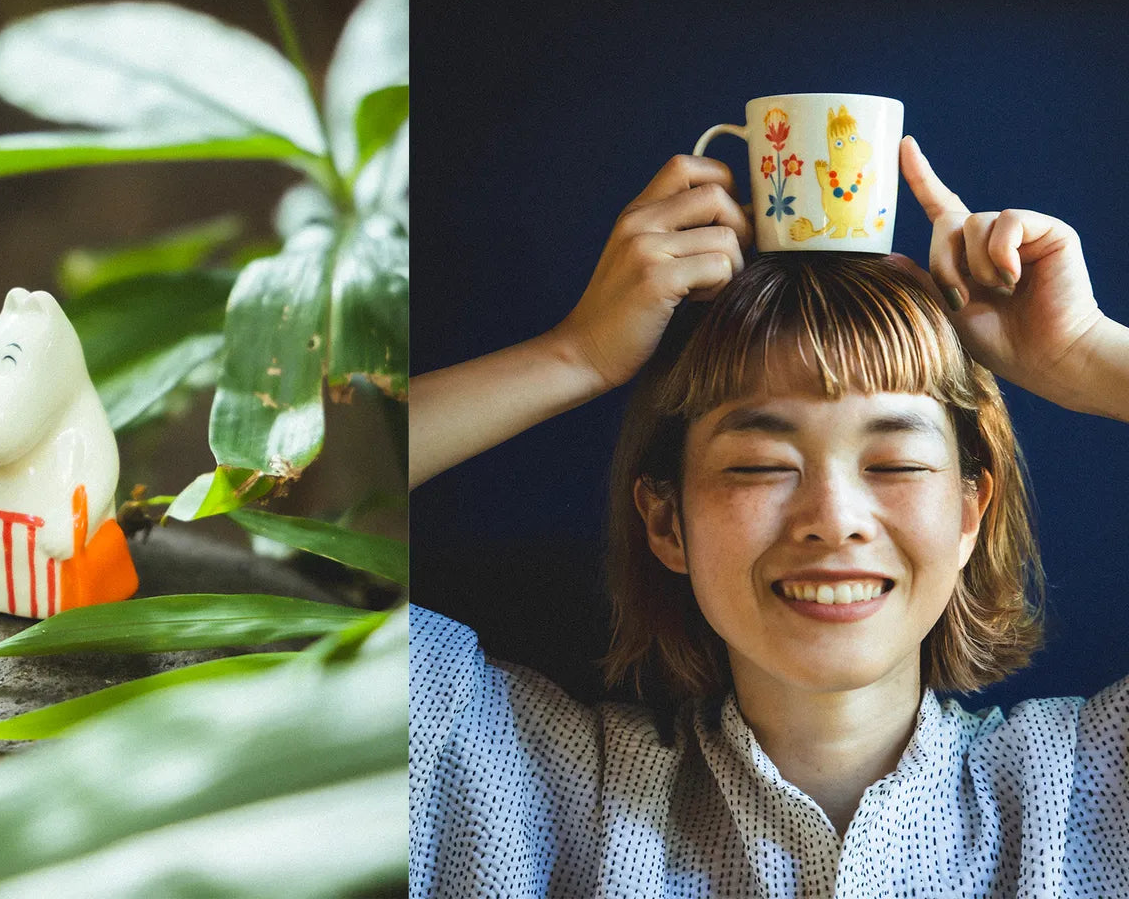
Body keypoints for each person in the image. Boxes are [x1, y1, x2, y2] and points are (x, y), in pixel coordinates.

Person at [408, 137, 1129, 896]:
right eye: (759, 466)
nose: (833, 519)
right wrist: (575, 354)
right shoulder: (520, 786)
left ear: (969, 512)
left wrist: (1087, 350)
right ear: (665, 522)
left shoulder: (1090, 787)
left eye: (895, 465)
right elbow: (278, 501)